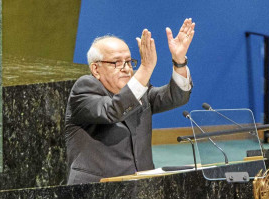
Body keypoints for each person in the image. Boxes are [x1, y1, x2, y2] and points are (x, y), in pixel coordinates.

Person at [65, 18, 195, 184]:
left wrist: (179, 61)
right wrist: (146, 68)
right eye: (116, 63)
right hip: (96, 191)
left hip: (140, 188)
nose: (126, 68)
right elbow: (113, 111)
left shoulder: (139, 92)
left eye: (129, 62)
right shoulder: (84, 88)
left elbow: (176, 96)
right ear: (96, 69)